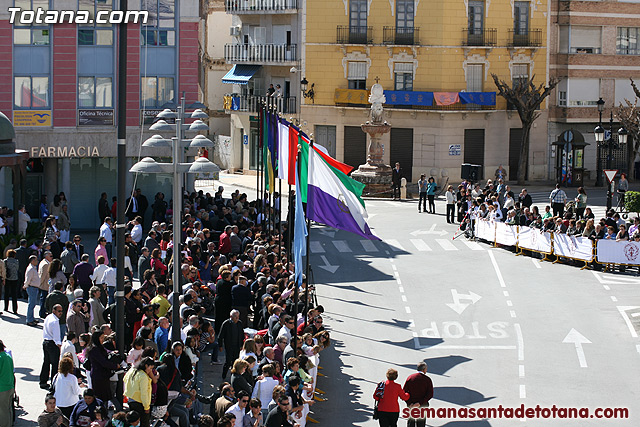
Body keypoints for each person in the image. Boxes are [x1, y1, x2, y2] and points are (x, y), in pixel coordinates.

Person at [87, 330, 120, 405]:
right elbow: (103, 362)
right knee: (101, 397)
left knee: (105, 397)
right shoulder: (94, 349)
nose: (102, 340)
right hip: (99, 376)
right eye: (101, 338)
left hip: (103, 375)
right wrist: (115, 366)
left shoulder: (98, 347)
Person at [124, 357, 155, 427]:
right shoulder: (143, 376)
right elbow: (144, 393)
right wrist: (146, 407)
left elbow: (124, 379)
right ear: (146, 366)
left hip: (131, 400)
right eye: (150, 368)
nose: (150, 371)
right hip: (140, 403)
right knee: (143, 424)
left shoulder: (131, 370)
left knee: (133, 423)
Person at [40, 304, 64, 390]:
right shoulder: (55, 321)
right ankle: (54, 384)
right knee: (55, 365)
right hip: (52, 344)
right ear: (54, 311)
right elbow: (56, 337)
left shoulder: (48, 317)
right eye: (59, 311)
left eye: (61, 311)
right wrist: (59, 346)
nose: (60, 313)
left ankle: (43, 381)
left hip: (46, 342)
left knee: (46, 362)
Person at [402, 362, 434, 427]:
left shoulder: (410, 377)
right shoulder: (427, 379)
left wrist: (409, 402)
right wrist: (419, 403)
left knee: (411, 423)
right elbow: (430, 394)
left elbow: (404, 392)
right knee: (421, 424)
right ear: (424, 369)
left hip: (411, 405)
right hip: (422, 405)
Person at [219, 310, 245, 379]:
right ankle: (224, 375)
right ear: (231, 316)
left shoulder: (239, 323)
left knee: (235, 361)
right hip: (229, 346)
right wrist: (220, 345)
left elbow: (242, 335)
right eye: (235, 317)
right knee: (228, 361)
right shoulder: (226, 324)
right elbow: (221, 335)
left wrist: (242, 345)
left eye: (238, 317)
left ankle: (233, 375)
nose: (237, 318)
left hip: (237, 345)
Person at [0, 340, 14, 427]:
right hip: (10, 386)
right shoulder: (8, 356)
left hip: (2, 388)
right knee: (8, 409)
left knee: (2, 411)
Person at [4, 249, 19, 314]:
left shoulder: (6, 261)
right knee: (14, 294)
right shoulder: (16, 261)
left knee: (6, 293)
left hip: (7, 278)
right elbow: (17, 269)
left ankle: (6, 307)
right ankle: (15, 309)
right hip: (15, 278)